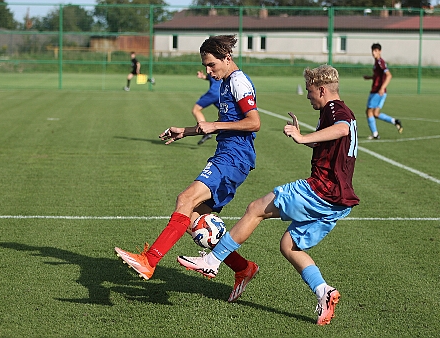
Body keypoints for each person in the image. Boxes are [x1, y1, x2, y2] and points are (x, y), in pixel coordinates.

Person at [178, 64, 360, 325]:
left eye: (310, 91)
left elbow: (341, 129)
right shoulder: (340, 111)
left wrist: (302, 137)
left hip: (322, 190)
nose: (308, 96)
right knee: (289, 245)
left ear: (322, 90)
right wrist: (312, 139)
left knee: (255, 208)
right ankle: (324, 292)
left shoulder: (335, 109)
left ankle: (213, 260)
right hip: (339, 200)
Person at [115, 35, 261, 302]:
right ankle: (243, 268)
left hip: (234, 158)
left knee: (185, 199)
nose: (208, 71)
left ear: (227, 58)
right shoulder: (226, 82)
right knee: (196, 219)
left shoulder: (239, 82)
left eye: (211, 65)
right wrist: (187, 131)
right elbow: (225, 122)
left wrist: (215, 126)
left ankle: (150, 260)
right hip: (227, 155)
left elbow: (254, 123)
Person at [363, 43, 402, 139]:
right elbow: (379, 76)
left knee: (369, 111)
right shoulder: (377, 62)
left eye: (376, 51)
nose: (373, 53)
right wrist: (370, 77)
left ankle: (375, 134)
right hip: (378, 91)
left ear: (380, 51)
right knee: (375, 113)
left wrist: (381, 87)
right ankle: (395, 121)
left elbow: (389, 75)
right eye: (373, 51)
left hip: (377, 91)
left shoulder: (381, 62)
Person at [193, 71, 222, 145]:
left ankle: (206, 132)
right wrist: (203, 77)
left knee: (196, 110)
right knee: (226, 113)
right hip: (221, 93)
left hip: (213, 93)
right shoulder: (220, 66)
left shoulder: (213, 66)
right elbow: (214, 78)